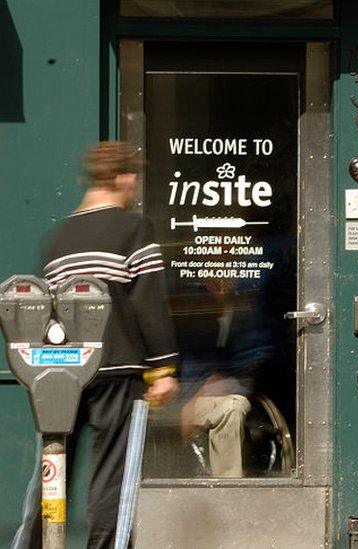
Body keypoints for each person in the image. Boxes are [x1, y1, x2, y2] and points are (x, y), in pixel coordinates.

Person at [13, 141, 180, 549]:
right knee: (113, 479)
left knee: (52, 470)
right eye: (133, 179)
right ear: (123, 177)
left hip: (61, 373)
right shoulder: (134, 229)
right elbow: (148, 301)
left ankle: (34, 544)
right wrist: (163, 369)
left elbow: (40, 310)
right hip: (119, 369)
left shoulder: (58, 238)